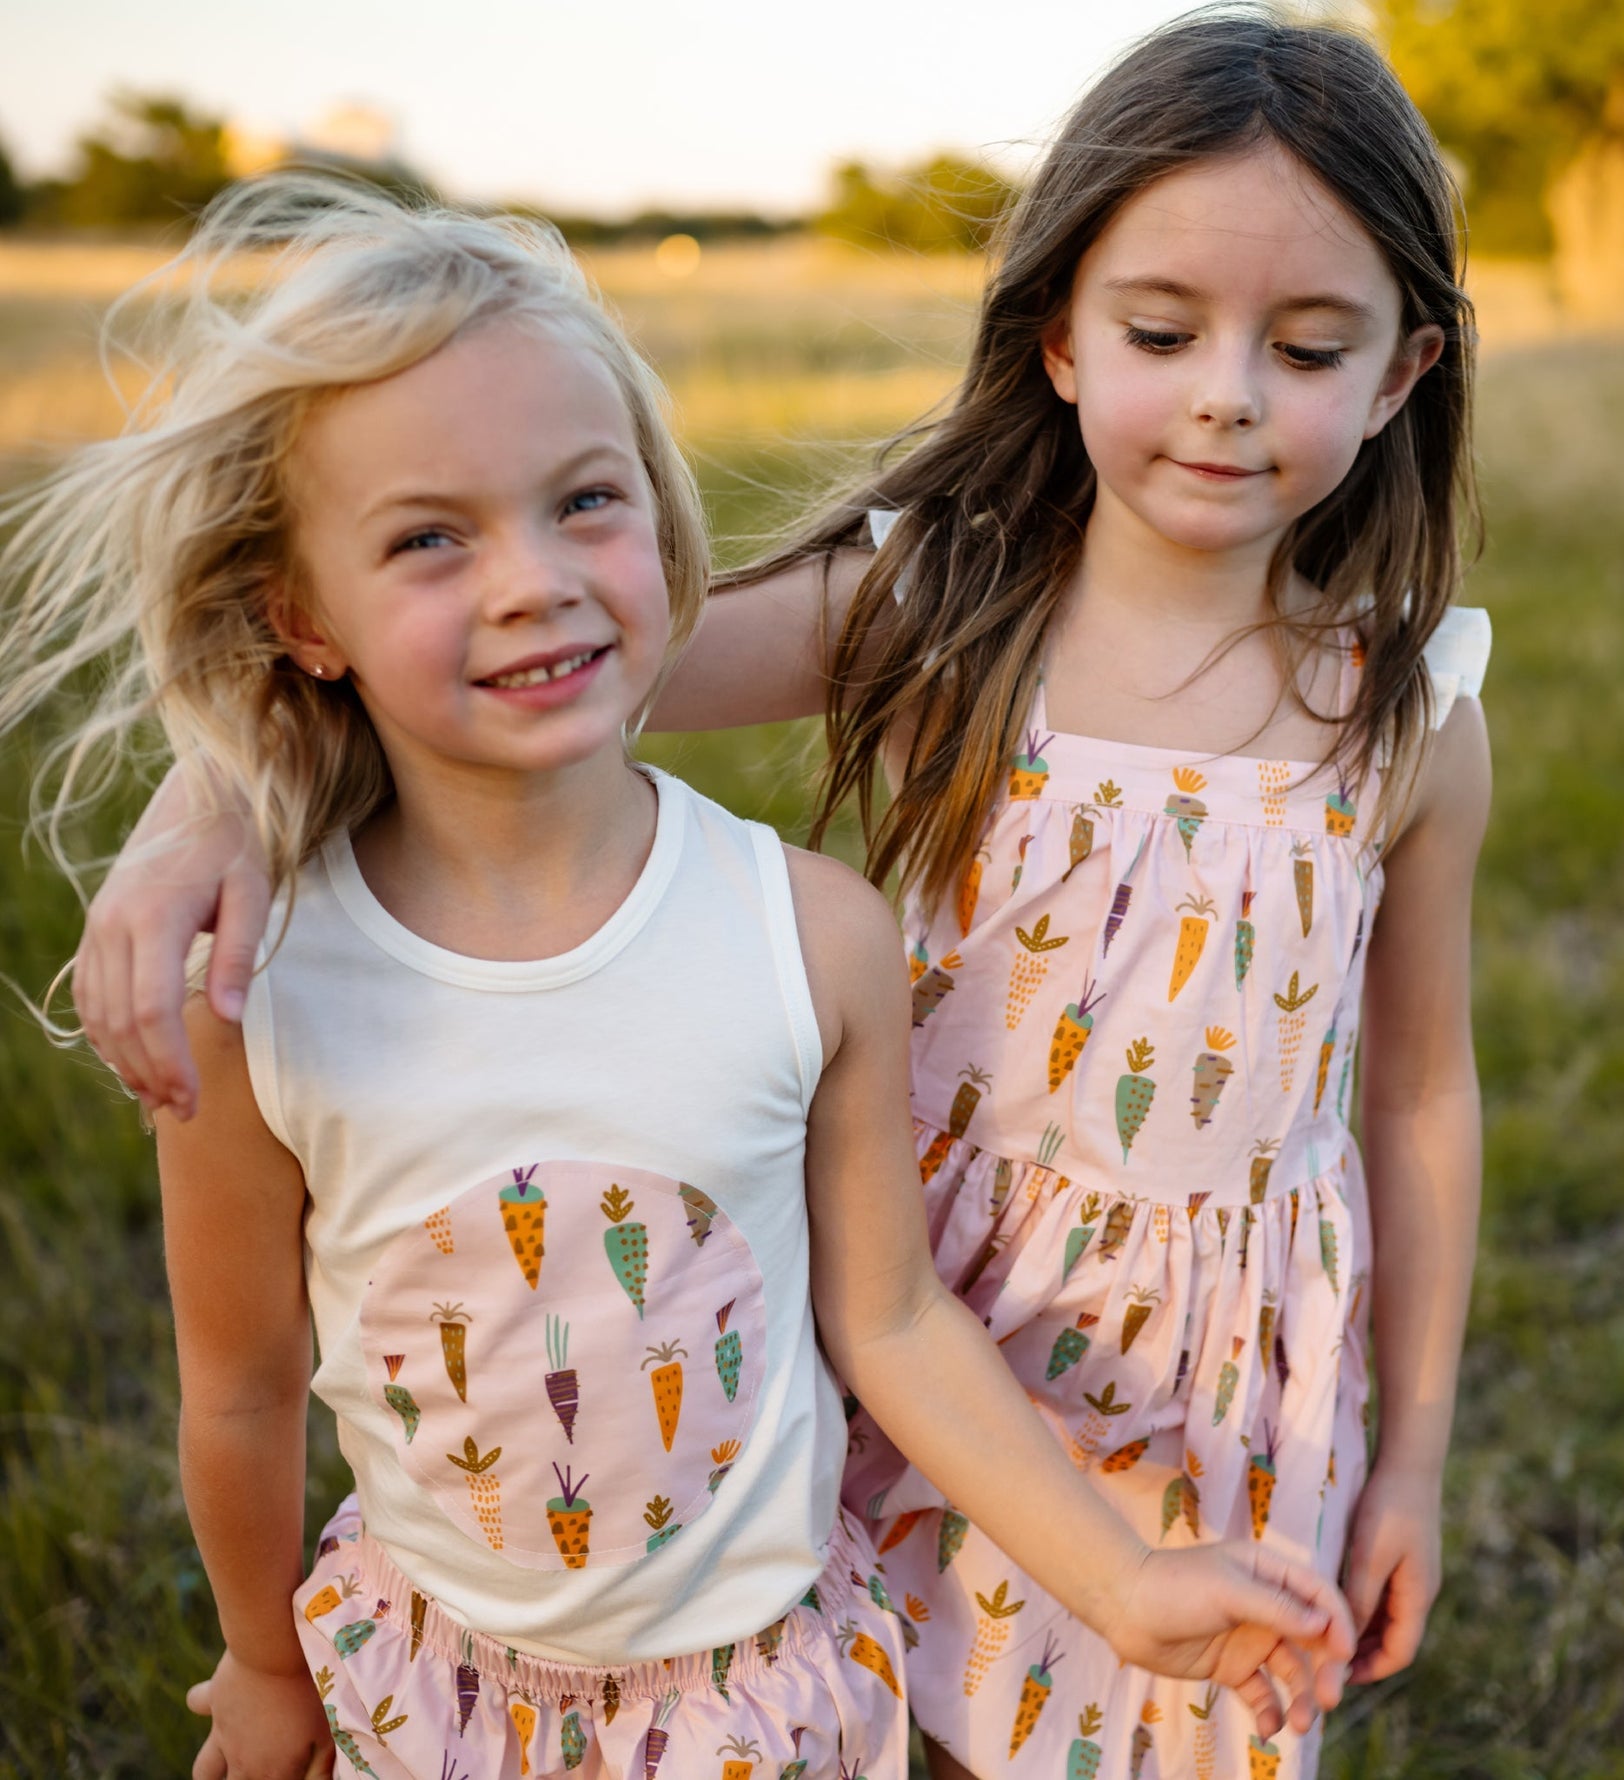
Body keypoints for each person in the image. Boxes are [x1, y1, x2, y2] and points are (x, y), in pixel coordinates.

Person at [67, 10, 1490, 1777]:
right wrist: (216, 797)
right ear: (1055, 335)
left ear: (1404, 371)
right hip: (910, 1313)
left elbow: (1421, 1094)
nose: (1227, 391)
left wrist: (1412, 1447)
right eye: (1162, 329)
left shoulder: (1412, 717)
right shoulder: (946, 608)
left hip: (1218, 1375)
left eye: (1309, 346)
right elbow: (552, 656)